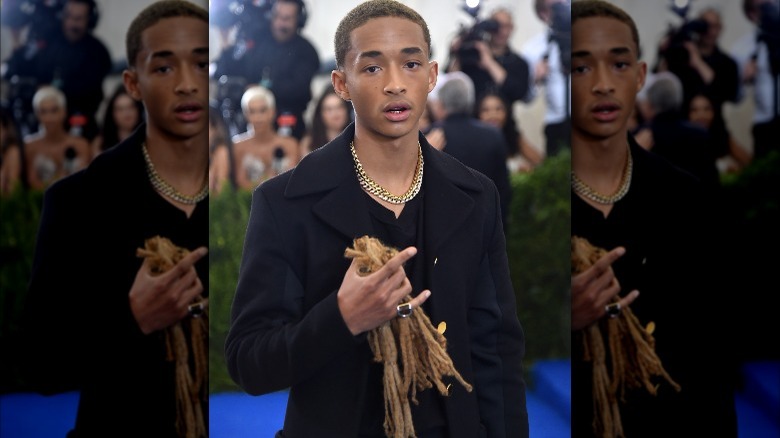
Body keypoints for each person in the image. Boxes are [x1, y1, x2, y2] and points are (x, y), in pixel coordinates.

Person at [225, 1, 529, 437]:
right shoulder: (284, 202)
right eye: (371, 68)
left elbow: (496, 350)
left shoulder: (476, 195)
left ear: (431, 76)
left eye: (410, 63)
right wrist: (341, 317)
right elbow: (250, 363)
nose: (393, 84)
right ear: (341, 84)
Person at [21, 1, 209, 436]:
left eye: (201, 64)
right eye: (163, 68)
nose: (185, 84)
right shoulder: (79, 200)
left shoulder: (260, 203)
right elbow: (39, 365)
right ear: (133, 83)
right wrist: (132, 319)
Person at [569, 1, 737, 437]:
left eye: (619, 63)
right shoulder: (542, 211)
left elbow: (712, 350)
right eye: (581, 68)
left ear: (640, 76)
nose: (604, 84)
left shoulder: (685, 195)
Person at [2, 0, 112, 142]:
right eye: (68, 16)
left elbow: (89, 93)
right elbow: (17, 67)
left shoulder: (98, 52)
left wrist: (52, 91)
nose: (72, 23)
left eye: (78, 19)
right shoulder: (47, 42)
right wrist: (16, 40)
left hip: (79, 126)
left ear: (89, 20)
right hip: (36, 125)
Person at [212, 0, 319, 140]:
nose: (280, 23)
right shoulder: (257, 42)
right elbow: (229, 70)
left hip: (288, 124)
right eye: (276, 16)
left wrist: (260, 89)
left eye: (286, 19)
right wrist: (225, 42)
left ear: (299, 20)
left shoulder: (306, 51)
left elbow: (298, 88)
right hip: (247, 126)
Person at [426, 72, 512, 234]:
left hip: (444, 230)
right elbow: (503, 188)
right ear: (471, 102)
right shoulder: (493, 135)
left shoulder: (430, 136)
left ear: (441, 104)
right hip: (486, 226)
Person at [211, 85, 299, 193]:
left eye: (262, 110)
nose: (258, 117)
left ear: (273, 111)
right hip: (249, 204)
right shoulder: (238, 145)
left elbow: (292, 181)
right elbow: (240, 184)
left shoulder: (290, 144)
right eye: (252, 111)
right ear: (245, 114)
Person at [521, 0, 572, 156]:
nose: (563, 8)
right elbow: (527, 98)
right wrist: (536, 79)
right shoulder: (534, 49)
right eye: (555, 6)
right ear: (543, 14)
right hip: (556, 123)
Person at [731, 0, 780, 159]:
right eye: (763, 7)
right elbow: (736, 97)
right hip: (764, 125)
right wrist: (744, 79)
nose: (770, 9)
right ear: (751, 14)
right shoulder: (742, 49)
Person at [23, 85, 91, 191]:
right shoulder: (30, 146)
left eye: (54, 110)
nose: (49, 117)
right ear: (37, 114)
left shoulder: (81, 144)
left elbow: (86, 181)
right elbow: (32, 185)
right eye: (43, 111)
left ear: (64, 112)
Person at [476, 90, 544, 171]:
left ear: (507, 112)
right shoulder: (474, 141)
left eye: (498, 109)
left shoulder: (513, 136)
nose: (493, 115)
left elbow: (540, 161)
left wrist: (526, 169)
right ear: (477, 114)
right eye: (485, 110)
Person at [687, 92, 752, 173]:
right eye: (694, 110)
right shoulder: (682, 140)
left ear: (714, 112)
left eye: (706, 109)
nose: (701, 115)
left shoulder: (721, 136)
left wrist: (735, 171)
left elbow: (748, 162)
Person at [91, 83, 145, 157]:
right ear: (112, 113)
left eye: (130, 107)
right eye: (120, 109)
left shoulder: (150, 140)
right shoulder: (100, 143)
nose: (126, 114)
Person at [300, 86, 353, 155]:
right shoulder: (309, 143)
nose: (335, 114)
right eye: (329, 109)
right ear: (320, 114)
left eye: (339, 107)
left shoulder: (358, 139)